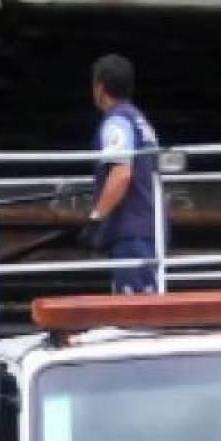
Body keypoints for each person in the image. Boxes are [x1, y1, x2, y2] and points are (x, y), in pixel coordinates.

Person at [81, 54, 162, 294]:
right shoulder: (139, 120)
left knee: (134, 309)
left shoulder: (117, 122)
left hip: (130, 231)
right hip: (149, 225)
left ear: (99, 88)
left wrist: (96, 218)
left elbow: (121, 173)